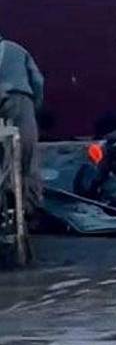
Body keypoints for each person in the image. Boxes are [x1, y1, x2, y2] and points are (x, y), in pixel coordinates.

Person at [0, 31, 44, 214]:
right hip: (18, 98)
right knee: (26, 158)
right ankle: (27, 210)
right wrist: (35, 106)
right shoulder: (17, 50)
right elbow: (38, 81)